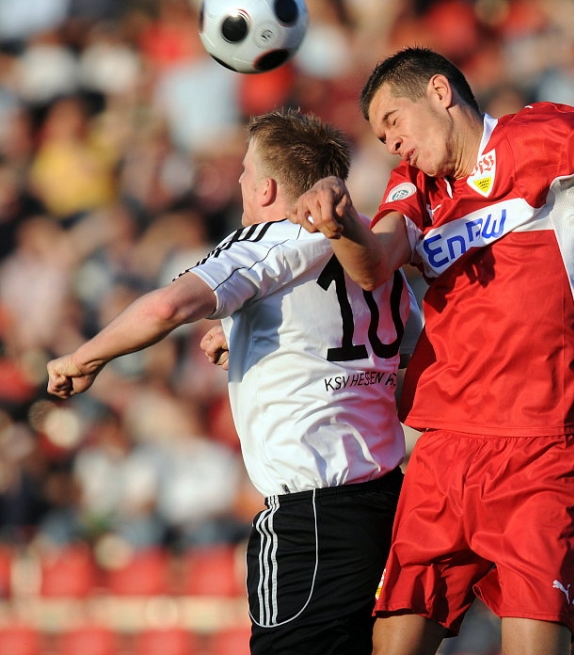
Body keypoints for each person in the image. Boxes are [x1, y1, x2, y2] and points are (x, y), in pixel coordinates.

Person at [288, 47, 574, 655]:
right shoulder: (414, 189)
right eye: (379, 134)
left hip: (540, 449)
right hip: (445, 448)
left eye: (394, 120)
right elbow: (373, 265)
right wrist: (341, 224)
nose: (390, 140)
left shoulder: (543, 138)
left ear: (441, 93)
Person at [46, 108, 421, 655]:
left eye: (246, 170)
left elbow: (169, 305)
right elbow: (400, 350)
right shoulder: (373, 257)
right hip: (386, 507)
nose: (241, 180)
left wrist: (83, 358)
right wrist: (255, 337)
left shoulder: (266, 240)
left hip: (308, 518)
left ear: (267, 187)